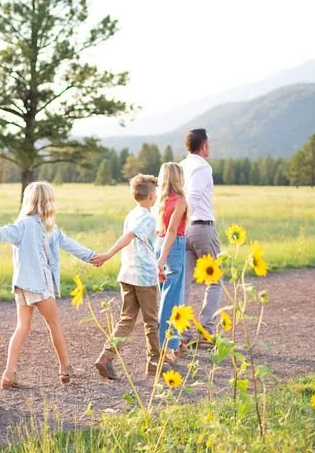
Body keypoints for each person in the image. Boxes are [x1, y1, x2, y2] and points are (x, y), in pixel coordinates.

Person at [0, 181, 101, 387]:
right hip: (40, 284)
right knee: (54, 325)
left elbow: (0, 233)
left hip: (22, 284)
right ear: (48, 203)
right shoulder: (45, 227)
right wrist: (93, 257)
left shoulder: (24, 225)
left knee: (22, 327)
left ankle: (9, 374)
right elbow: (73, 246)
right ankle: (64, 368)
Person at [92, 174, 168, 379]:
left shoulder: (132, 213)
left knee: (127, 319)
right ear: (152, 196)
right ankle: (154, 362)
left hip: (128, 273)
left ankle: (105, 357)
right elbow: (129, 237)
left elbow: (144, 247)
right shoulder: (147, 217)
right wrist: (108, 254)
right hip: (143, 277)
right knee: (151, 321)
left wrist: (157, 267)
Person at [180, 128, 222, 336]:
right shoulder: (203, 167)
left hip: (181, 231)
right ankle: (206, 329)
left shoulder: (180, 166)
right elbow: (194, 196)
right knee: (215, 280)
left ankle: (184, 333)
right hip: (201, 227)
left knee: (184, 284)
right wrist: (189, 218)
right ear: (204, 146)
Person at [154, 163, 189, 355]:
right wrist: (163, 259)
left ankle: (174, 344)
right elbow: (173, 231)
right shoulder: (180, 200)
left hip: (158, 244)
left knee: (168, 296)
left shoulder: (161, 201)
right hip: (172, 247)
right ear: (178, 178)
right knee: (172, 299)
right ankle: (166, 347)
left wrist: (159, 256)